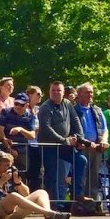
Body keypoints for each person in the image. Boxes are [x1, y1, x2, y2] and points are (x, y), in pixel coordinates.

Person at [0, 150, 69, 219]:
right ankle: (50, 213)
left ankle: (48, 213)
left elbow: (26, 194)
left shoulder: (10, 174)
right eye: (6, 165)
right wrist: (1, 181)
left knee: (41, 192)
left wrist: (18, 183)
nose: (9, 168)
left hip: (13, 210)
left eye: (10, 165)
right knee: (13, 196)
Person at [38, 80, 84, 210]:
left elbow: (75, 121)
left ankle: (77, 195)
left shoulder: (67, 104)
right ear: (49, 92)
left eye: (59, 90)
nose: (56, 93)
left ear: (64, 92)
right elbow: (46, 128)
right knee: (51, 175)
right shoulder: (45, 107)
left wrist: (80, 139)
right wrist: (64, 140)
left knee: (81, 160)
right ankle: (53, 205)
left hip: (64, 146)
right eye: (53, 90)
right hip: (49, 146)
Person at [72, 82, 107, 205]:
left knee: (94, 178)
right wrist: (81, 142)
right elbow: (71, 129)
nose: (90, 94)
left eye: (91, 92)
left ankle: (92, 204)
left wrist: (104, 141)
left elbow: (104, 129)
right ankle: (79, 204)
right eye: (87, 92)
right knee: (81, 177)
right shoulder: (74, 110)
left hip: (96, 148)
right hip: (81, 148)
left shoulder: (97, 110)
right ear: (79, 94)